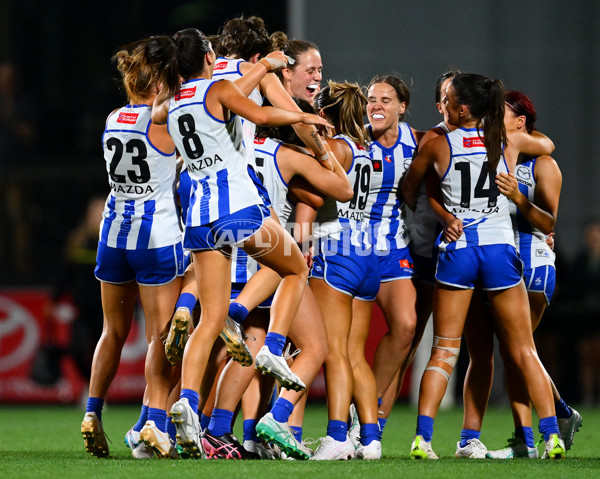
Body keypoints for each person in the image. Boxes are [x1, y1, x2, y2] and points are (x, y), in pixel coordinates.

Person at [149, 27, 331, 458]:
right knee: (294, 267)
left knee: (209, 320)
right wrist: (302, 116)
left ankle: (188, 405)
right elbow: (264, 116)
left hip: (196, 218)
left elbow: (156, 115)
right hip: (236, 210)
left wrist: (171, 86)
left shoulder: (174, 102)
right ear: (210, 57)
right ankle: (271, 348)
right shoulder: (220, 89)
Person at [403, 73, 565, 460]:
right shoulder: (507, 140)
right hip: (498, 248)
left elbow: (409, 189)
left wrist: (436, 202)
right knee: (524, 349)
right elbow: (546, 144)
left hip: (458, 249)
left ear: (461, 108)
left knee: (444, 350)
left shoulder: (437, 143)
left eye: (447, 100)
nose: (442, 105)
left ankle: (423, 440)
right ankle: (552, 436)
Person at [81, 36, 184, 459]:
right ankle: (155, 423)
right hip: (155, 236)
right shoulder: (163, 118)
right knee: (163, 337)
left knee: (113, 332)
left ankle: (92, 412)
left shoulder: (112, 117)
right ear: (160, 86)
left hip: (112, 235)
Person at [295, 81, 380, 460]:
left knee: (332, 352)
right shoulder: (367, 150)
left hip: (337, 251)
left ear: (325, 114)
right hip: (368, 254)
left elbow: (313, 201)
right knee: (355, 353)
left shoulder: (335, 150)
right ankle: (372, 438)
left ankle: (337, 436)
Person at [360, 74, 423, 437]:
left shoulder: (417, 143)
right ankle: (351, 424)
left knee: (406, 327)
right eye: (371, 99)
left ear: (402, 106)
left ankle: (371, 419)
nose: (376, 106)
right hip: (347, 249)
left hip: (392, 248)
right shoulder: (353, 138)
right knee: (344, 346)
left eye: (386, 99)